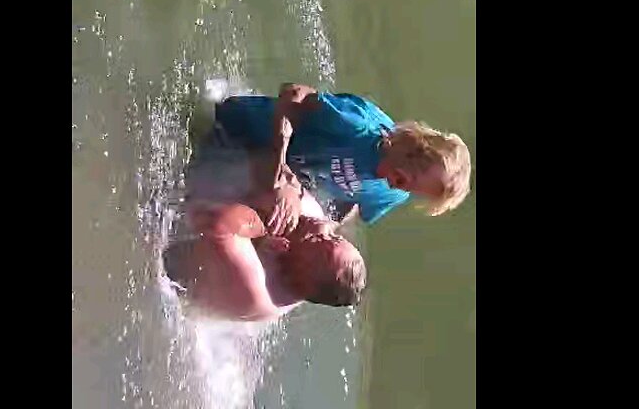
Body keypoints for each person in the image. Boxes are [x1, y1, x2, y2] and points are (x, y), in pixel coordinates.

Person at [214, 83, 472, 229]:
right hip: (234, 127)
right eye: (406, 180)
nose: (399, 188)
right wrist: (279, 165)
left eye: (414, 192)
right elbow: (293, 93)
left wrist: (326, 226)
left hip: (255, 170)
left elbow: (352, 205)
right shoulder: (355, 125)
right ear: (411, 148)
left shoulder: (391, 194)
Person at [162, 185, 366, 322]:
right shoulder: (303, 244)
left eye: (324, 248)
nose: (323, 234)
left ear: (307, 279)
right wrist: (288, 189)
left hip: (161, 271)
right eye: (335, 238)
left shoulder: (257, 288)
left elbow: (213, 220)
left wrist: (264, 227)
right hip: (186, 237)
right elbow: (284, 182)